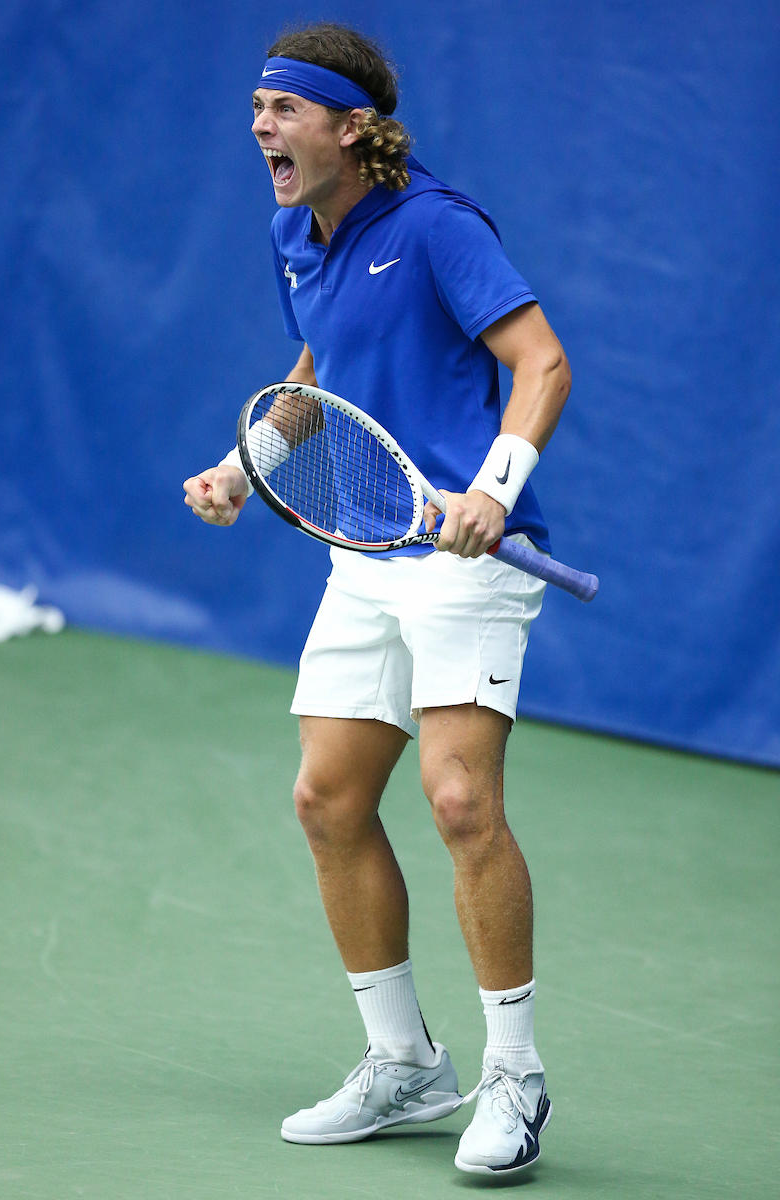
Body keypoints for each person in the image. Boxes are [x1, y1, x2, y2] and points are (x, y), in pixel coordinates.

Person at [183, 23, 571, 1177]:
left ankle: (514, 1073)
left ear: (351, 126)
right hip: (365, 550)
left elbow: (540, 361)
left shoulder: (439, 227)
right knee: (326, 801)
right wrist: (244, 463)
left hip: (464, 559)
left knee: (460, 803)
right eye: (256, 108)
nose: (263, 127)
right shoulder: (291, 232)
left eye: (285, 109)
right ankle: (403, 1063)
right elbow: (315, 372)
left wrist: (494, 489)